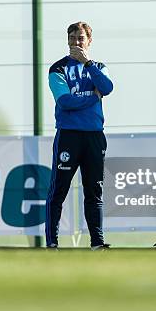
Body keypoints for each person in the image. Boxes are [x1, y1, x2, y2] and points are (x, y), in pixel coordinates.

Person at [45, 21, 113, 250]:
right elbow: (65, 102)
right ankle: (52, 241)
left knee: (94, 191)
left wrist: (87, 63)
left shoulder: (98, 67)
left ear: (89, 41)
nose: (76, 43)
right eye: (72, 38)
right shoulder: (58, 68)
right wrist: (94, 98)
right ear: (67, 40)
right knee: (59, 190)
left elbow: (108, 87)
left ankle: (97, 242)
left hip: (94, 136)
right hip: (69, 136)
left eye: (80, 38)